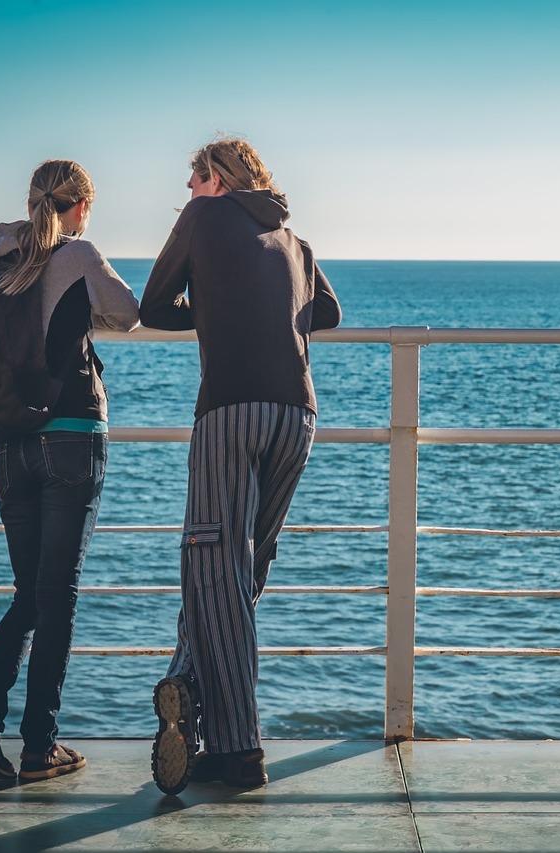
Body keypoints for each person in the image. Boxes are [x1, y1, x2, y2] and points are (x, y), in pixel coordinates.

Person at [0, 160, 140, 781]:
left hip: (11, 442)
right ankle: (40, 745)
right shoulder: (79, 253)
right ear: (81, 207)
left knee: (29, 594)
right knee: (57, 597)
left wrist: (1, 251)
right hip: (71, 435)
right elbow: (127, 315)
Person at [139, 136, 342, 794]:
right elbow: (329, 312)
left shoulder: (202, 217)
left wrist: (218, 310)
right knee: (240, 570)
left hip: (230, 411)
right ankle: (187, 689)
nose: (188, 192)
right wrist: (263, 306)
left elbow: (151, 306)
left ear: (215, 180)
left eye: (193, 180)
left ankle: (238, 750)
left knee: (212, 567)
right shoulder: (294, 238)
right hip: (297, 416)